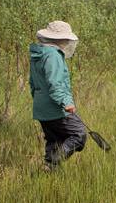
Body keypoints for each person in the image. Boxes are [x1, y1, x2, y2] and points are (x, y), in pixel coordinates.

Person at [29, 21, 86, 170]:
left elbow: (32, 83)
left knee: (55, 140)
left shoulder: (38, 54)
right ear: (59, 39)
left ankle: (48, 169)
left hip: (41, 109)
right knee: (79, 135)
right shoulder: (53, 55)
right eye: (66, 39)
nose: (68, 42)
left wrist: (40, 102)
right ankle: (54, 160)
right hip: (55, 108)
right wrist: (66, 101)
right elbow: (55, 83)